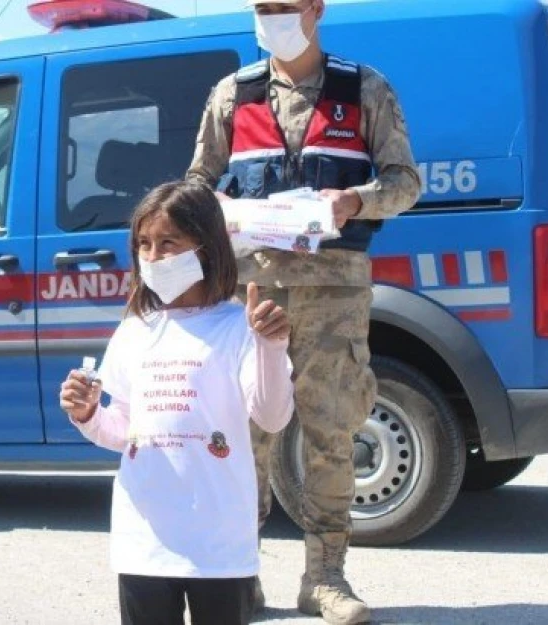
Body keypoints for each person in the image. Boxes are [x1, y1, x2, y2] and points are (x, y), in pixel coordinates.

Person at [184, 1, 421, 623]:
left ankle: (325, 579)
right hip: (252, 295)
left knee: (331, 431)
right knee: (244, 439)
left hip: (334, 296)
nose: (270, 17)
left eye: (283, 6)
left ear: (315, 7)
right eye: (262, 8)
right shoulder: (231, 96)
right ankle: (242, 576)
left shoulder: (363, 88)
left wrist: (356, 200)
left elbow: (406, 182)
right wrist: (217, 214)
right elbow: (196, 187)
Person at [59, 181, 295, 625]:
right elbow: (123, 430)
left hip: (219, 545)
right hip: (144, 541)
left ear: (204, 247)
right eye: (143, 244)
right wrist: (87, 413)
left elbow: (272, 414)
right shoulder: (135, 330)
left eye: (168, 243)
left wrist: (272, 347)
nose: (153, 257)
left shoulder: (237, 328)